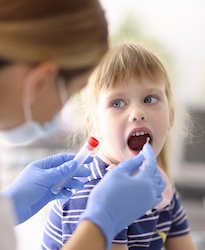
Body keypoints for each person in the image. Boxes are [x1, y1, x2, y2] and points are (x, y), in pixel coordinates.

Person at [0, 1, 165, 249]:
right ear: (41, 81)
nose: (137, 113)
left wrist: (7, 205)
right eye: (73, 92)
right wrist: (102, 224)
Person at [42, 42, 196, 250]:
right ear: (94, 126)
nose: (137, 113)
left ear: (171, 117)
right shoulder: (90, 192)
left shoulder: (162, 187)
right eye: (117, 103)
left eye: (149, 99)